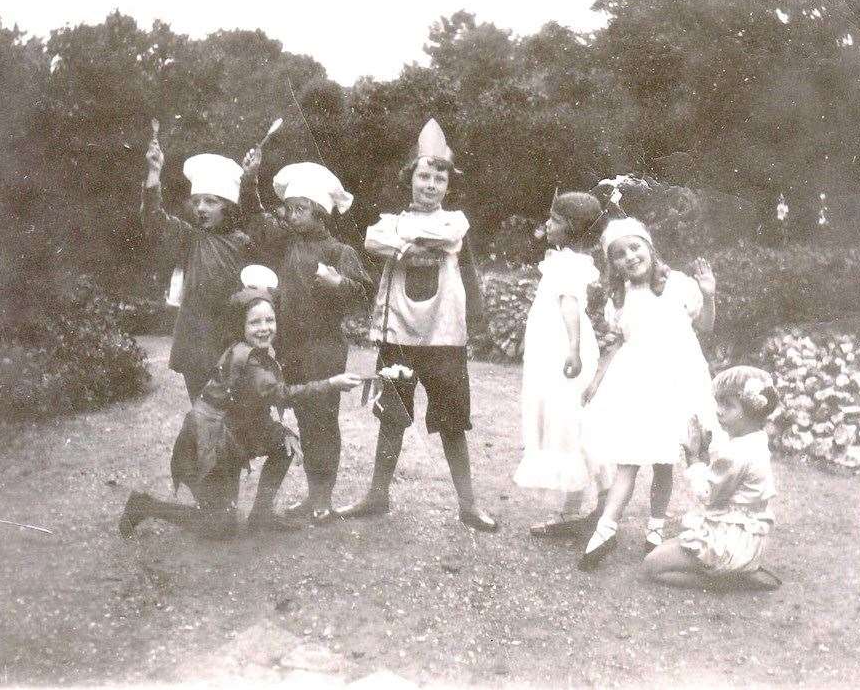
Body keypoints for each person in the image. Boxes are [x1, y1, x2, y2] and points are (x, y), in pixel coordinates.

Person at [338, 119, 497, 532]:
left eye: (439, 178)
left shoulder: (456, 222)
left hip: (444, 335)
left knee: (453, 421)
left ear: (448, 185)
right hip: (399, 335)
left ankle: (468, 504)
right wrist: (407, 245)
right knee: (392, 414)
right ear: (410, 179)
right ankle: (377, 495)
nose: (430, 185)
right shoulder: (389, 222)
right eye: (424, 176)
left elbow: (457, 250)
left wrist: (476, 323)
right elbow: (373, 241)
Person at [118, 275, 362, 540]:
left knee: (284, 443)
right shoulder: (246, 359)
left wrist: (280, 430)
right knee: (220, 528)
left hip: (231, 433)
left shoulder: (256, 350)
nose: (264, 328)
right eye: (255, 322)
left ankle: (261, 516)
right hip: (207, 444)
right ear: (241, 326)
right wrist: (331, 383)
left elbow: (255, 405)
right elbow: (281, 394)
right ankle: (144, 505)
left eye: (269, 320)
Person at [239, 151, 373, 523]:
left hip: (324, 347)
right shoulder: (285, 243)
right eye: (290, 208)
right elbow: (259, 219)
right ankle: (313, 493)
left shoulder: (338, 251)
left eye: (300, 209)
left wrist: (339, 281)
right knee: (302, 415)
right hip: (289, 347)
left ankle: (322, 498)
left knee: (323, 421)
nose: (291, 215)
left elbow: (364, 293)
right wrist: (251, 181)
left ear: (320, 212)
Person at [578, 217, 718, 570]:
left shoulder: (681, 286)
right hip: (638, 383)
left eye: (636, 247)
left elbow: (706, 326)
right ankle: (605, 530)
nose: (630, 257)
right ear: (613, 264)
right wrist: (596, 381)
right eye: (620, 254)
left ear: (650, 249)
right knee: (628, 459)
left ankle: (655, 528)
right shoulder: (620, 299)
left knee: (664, 460)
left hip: (677, 379)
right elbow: (617, 344)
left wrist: (709, 295)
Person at [514, 191, 613, 537]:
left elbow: (570, 307)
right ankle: (582, 506)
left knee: (569, 423)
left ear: (570, 227)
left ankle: (594, 504)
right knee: (566, 423)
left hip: (562, 349)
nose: (547, 224)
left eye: (554, 220)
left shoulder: (568, 263)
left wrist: (573, 349)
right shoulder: (564, 260)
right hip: (551, 347)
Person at [643, 366, 782, 591]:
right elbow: (724, 482)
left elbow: (707, 495)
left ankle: (723, 580)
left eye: (728, 405)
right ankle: (739, 570)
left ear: (750, 410)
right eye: (719, 403)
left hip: (730, 543)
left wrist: (694, 458)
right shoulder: (755, 439)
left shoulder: (737, 452)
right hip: (747, 539)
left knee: (652, 566)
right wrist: (706, 456)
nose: (719, 411)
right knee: (672, 545)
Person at [143, 139, 257, 402]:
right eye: (197, 202)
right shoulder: (190, 237)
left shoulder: (243, 242)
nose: (201, 208)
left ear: (227, 207)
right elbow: (154, 219)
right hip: (195, 343)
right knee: (203, 415)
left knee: (235, 417)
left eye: (211, 201)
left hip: (232, 340)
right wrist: (153, 172)